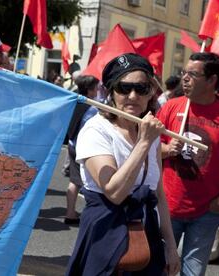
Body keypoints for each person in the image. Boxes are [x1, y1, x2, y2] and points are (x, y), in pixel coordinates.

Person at [66, 53, 180, 275]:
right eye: (124, 88)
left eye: (141, 88)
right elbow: (115, 191)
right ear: (111, 92)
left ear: (151, 93)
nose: (133, 95)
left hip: (146, 236)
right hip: (105, 234)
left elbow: (158, 194)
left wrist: (171, 247)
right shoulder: (96, 130)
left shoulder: (152, 133)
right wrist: (144, 142)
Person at [156, 52, 219, 276]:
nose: (185, 78)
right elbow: (148, 148)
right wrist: (166, 149)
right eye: (184, 72)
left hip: (206, 212)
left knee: (193, 272)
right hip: (168, 206)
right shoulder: (172, 107)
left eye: (192, 74)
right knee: (159, 268)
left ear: (212, 80)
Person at [64, 75, 99, 224]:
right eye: (96, 87)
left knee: (74, 181)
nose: (98, 90)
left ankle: (70, 212)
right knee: (90, 183)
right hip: (84, 148)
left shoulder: (74, 102)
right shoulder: (92, 109)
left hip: (72, 144)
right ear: (90, 90)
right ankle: (88, 216)